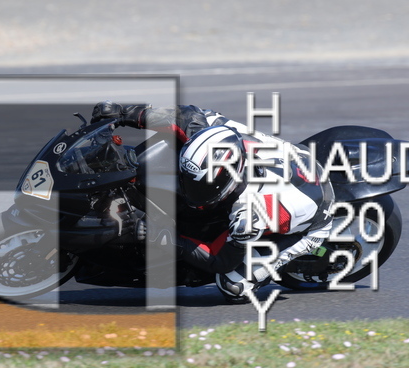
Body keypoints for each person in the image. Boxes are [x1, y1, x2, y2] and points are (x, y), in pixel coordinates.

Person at [91, 101, 335, 303]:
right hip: (293, 163)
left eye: (201, 187)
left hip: (314, 217)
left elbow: (221, 260)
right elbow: (182, 114)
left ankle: (276, 255)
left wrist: (162, 235)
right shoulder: (208, 131)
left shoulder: (251, 214)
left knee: (233, 285)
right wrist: (122, 113)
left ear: (227, 181)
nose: (190, 190)